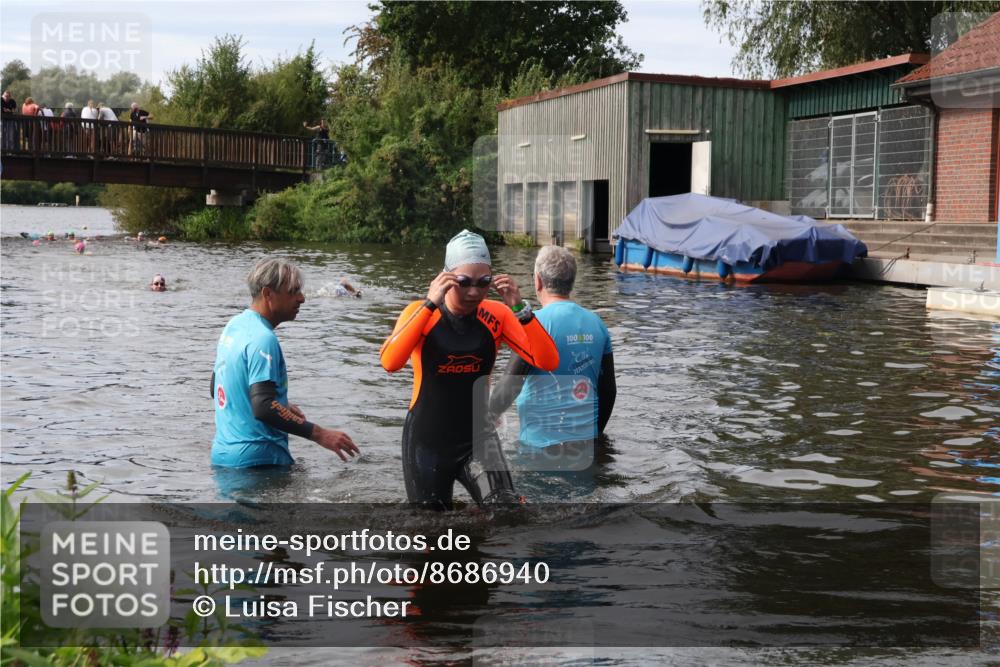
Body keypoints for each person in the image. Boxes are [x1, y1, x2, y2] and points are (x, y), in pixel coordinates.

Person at [380, 229, 559, 510]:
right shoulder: (421, 313)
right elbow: (390, 362)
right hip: (428, 441)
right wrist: (429, 304)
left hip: (478, 437)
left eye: (483, 282)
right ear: (445, 278)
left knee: (506, 512)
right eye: (464, 282)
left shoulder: (497, 316)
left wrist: (521, 309)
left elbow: (547, 361)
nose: (474, 291)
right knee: (431, 529)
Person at [211, 257, 359, 468]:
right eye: (293, 292)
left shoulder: (234, 326)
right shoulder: (264, 339)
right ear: (268, 294)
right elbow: (263, 407)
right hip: (259, 462)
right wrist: (320, 434)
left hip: (223, 456)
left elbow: (217, 386)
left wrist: (281, 403)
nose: (302, 299)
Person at [488, 245, 616, 468]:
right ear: (572, 281)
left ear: (537, 281)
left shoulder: (532, 325)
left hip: (540, 449)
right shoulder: (598, 324)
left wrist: (486, 418)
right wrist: (595, 434)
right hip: (587, 447)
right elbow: (608, 391)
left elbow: (509, 387)